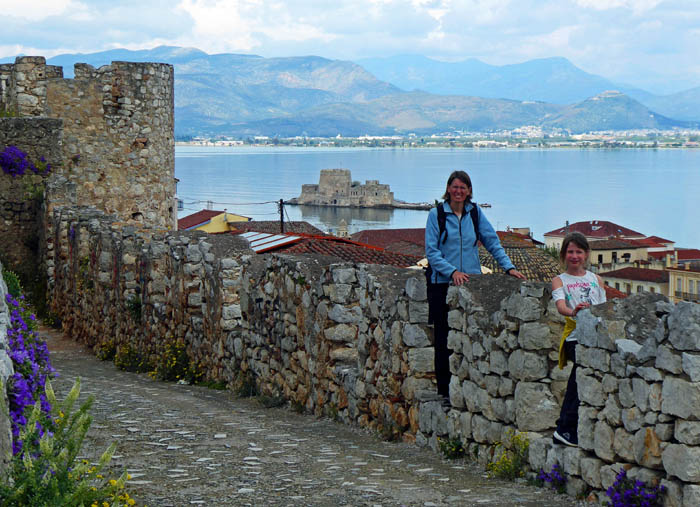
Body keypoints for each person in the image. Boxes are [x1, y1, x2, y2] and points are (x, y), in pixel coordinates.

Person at [425, 170, 525, 402]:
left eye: (463, 187)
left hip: (470, 283)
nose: (459, 191)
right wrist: (452, 271)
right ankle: (445, 390)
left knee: (469, 337)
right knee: (443, 338)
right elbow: (432, 252)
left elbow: (491, 241)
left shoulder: (475, 214)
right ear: (448, 189)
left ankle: (466, 387)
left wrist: (508, 267)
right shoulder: (436, 215)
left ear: (469, 191)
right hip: (442, 284)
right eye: (455, 187)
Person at [551, 232, 606, 447]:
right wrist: (573, 311)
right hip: (574, 336)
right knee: (579, 373)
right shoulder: (559, 280)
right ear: (564, 254)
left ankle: (565, 427)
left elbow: (604, 307)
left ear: (586, 254)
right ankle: (565, 427)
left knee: (579, 378)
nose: (575, 256)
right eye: (570, 252)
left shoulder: (596, 279)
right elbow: (560, 306)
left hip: (596, 336)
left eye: (579, 252)